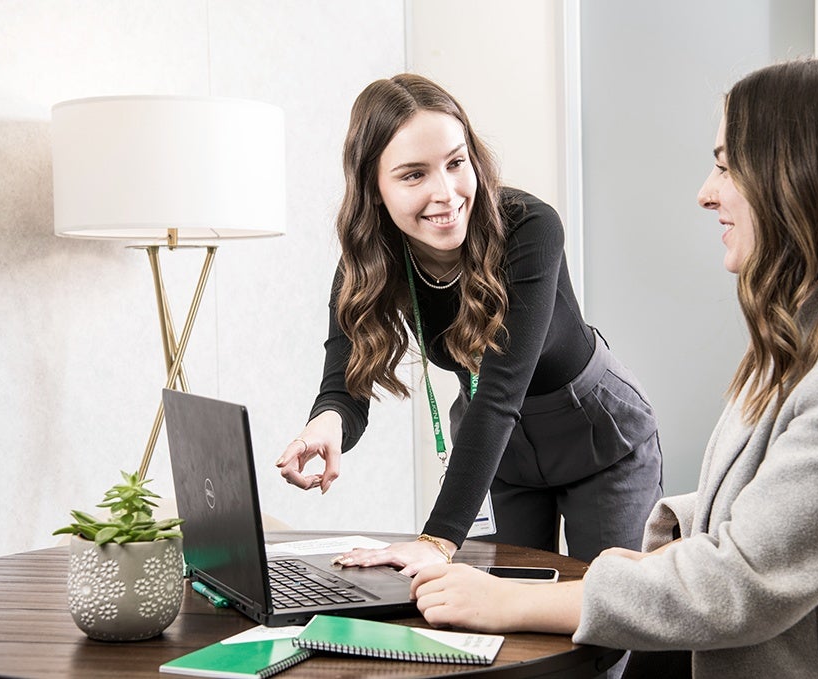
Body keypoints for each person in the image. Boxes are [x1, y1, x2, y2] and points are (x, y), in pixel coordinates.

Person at [410, 58, 818, 678]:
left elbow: (741, 585)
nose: (706, 192)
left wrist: (513, 601)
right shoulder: (813, 327)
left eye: (724, 164)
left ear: (797, 176)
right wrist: (666, 550)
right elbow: (764, 511)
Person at [275, 73, 663, 573]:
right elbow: (345, 381)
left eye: (456, 163)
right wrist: (323, 427)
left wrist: (437, 539)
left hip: (593, 433)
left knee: (609, 619)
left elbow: (500, 391)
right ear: (373, 188)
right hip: (501, 453)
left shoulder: (529, 226)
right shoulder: (370, 259)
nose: (447, 193)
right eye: (414, 175)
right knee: (508, 616)